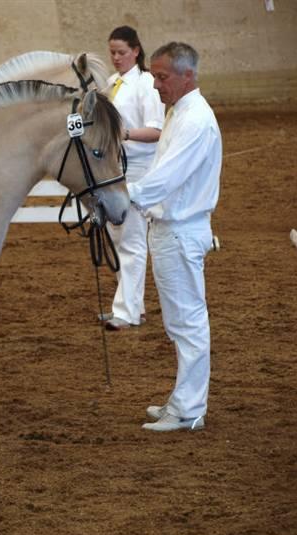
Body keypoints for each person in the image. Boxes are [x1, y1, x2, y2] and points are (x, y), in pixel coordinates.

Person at [127, 42, 222, 432]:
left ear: (188, 75)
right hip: (171, 229)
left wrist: (123, 198)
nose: (155, 85)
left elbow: (166, 178)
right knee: (181, 323)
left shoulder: (195, 120)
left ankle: (187, 409)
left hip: (179, 230)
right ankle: (183, 402)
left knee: (187, 323)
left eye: (162, 77)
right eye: (153, 76)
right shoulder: (180, 113)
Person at [101, 26, 165, 331]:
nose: (115, 58)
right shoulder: (112, 83)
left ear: (136, 51)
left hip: (138, 170)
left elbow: (156, 130)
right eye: (112, 52)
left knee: (132, 240)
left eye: (121, 52)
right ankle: (130, 306)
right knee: (117, 239)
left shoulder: (146, 84)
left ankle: (127, 311)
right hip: (114, 170)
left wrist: (122, 133)